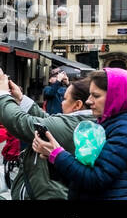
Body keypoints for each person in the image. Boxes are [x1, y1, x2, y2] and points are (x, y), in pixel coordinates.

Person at [31, 69, 127, 200]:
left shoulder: (126, 130)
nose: (88, 101)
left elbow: (97, 179)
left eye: (96, 96)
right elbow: (81, 179)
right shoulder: (108, 123)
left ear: (116, 96)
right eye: (90, 95)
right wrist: (53, 157)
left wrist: (58, 155)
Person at [0, 68, 96, 199]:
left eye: (65, 98)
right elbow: (45, 121)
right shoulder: (84, 122)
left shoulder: (75, 125)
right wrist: (20, 98)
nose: (61, 102)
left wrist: (3, 94)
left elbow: (21, 122)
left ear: (78, 105)